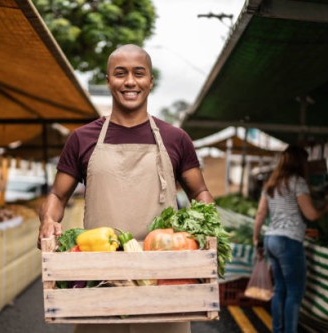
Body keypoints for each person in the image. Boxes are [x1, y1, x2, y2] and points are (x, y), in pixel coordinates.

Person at [38, 44, 213, 333]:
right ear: (108, 80)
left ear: (150, 81)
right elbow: (58, 194)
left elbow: (200, 192)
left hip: (163, 281)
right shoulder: (81, 139)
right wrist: (48, 219)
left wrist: (206, 222)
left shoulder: (176, 139)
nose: (130, 81)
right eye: (120, 74)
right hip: (98, 280)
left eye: (138, 73)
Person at [253, 145, 328, 333]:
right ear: (300, 162)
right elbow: (311, 214)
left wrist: (256, 237)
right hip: (288, 241)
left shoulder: (270, 183)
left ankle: (277, 330)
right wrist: (327, 207)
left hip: (271, 239)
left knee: (280, 289)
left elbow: (260, 213)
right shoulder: (297, 182)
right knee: (294, 293)